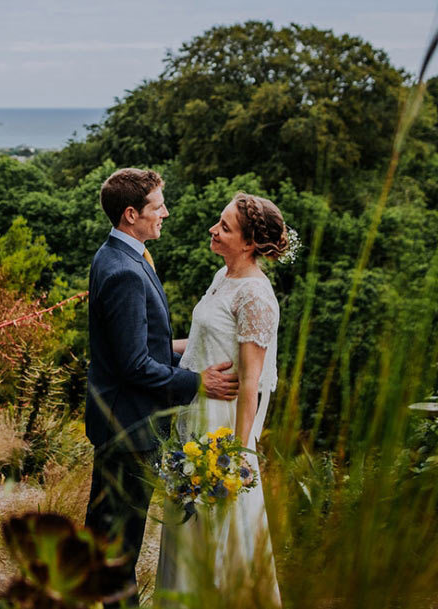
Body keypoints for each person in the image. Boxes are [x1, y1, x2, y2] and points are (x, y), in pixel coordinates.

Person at [85, 168, 240, 607]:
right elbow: (134, 365)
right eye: (158, 206)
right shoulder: (126, 272)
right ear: (131, 213)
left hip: (116, 418)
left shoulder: (117, 255)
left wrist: (186, 348)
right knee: (119, 546)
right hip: (129, 426)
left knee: (102, 532)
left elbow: (134, 344)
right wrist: (198, 382)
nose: (165, 213)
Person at [156, 191, 290, 608]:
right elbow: (198, 344)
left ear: (249, 244)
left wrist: (235, 454)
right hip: (198, 412)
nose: (214, 230)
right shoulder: (223, 278)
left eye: (225, 227)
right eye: (219, 221)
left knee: (218, 523)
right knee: (186, 524)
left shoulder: (255, 296)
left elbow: (250, 383)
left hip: (222, 425)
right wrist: (143, 351)